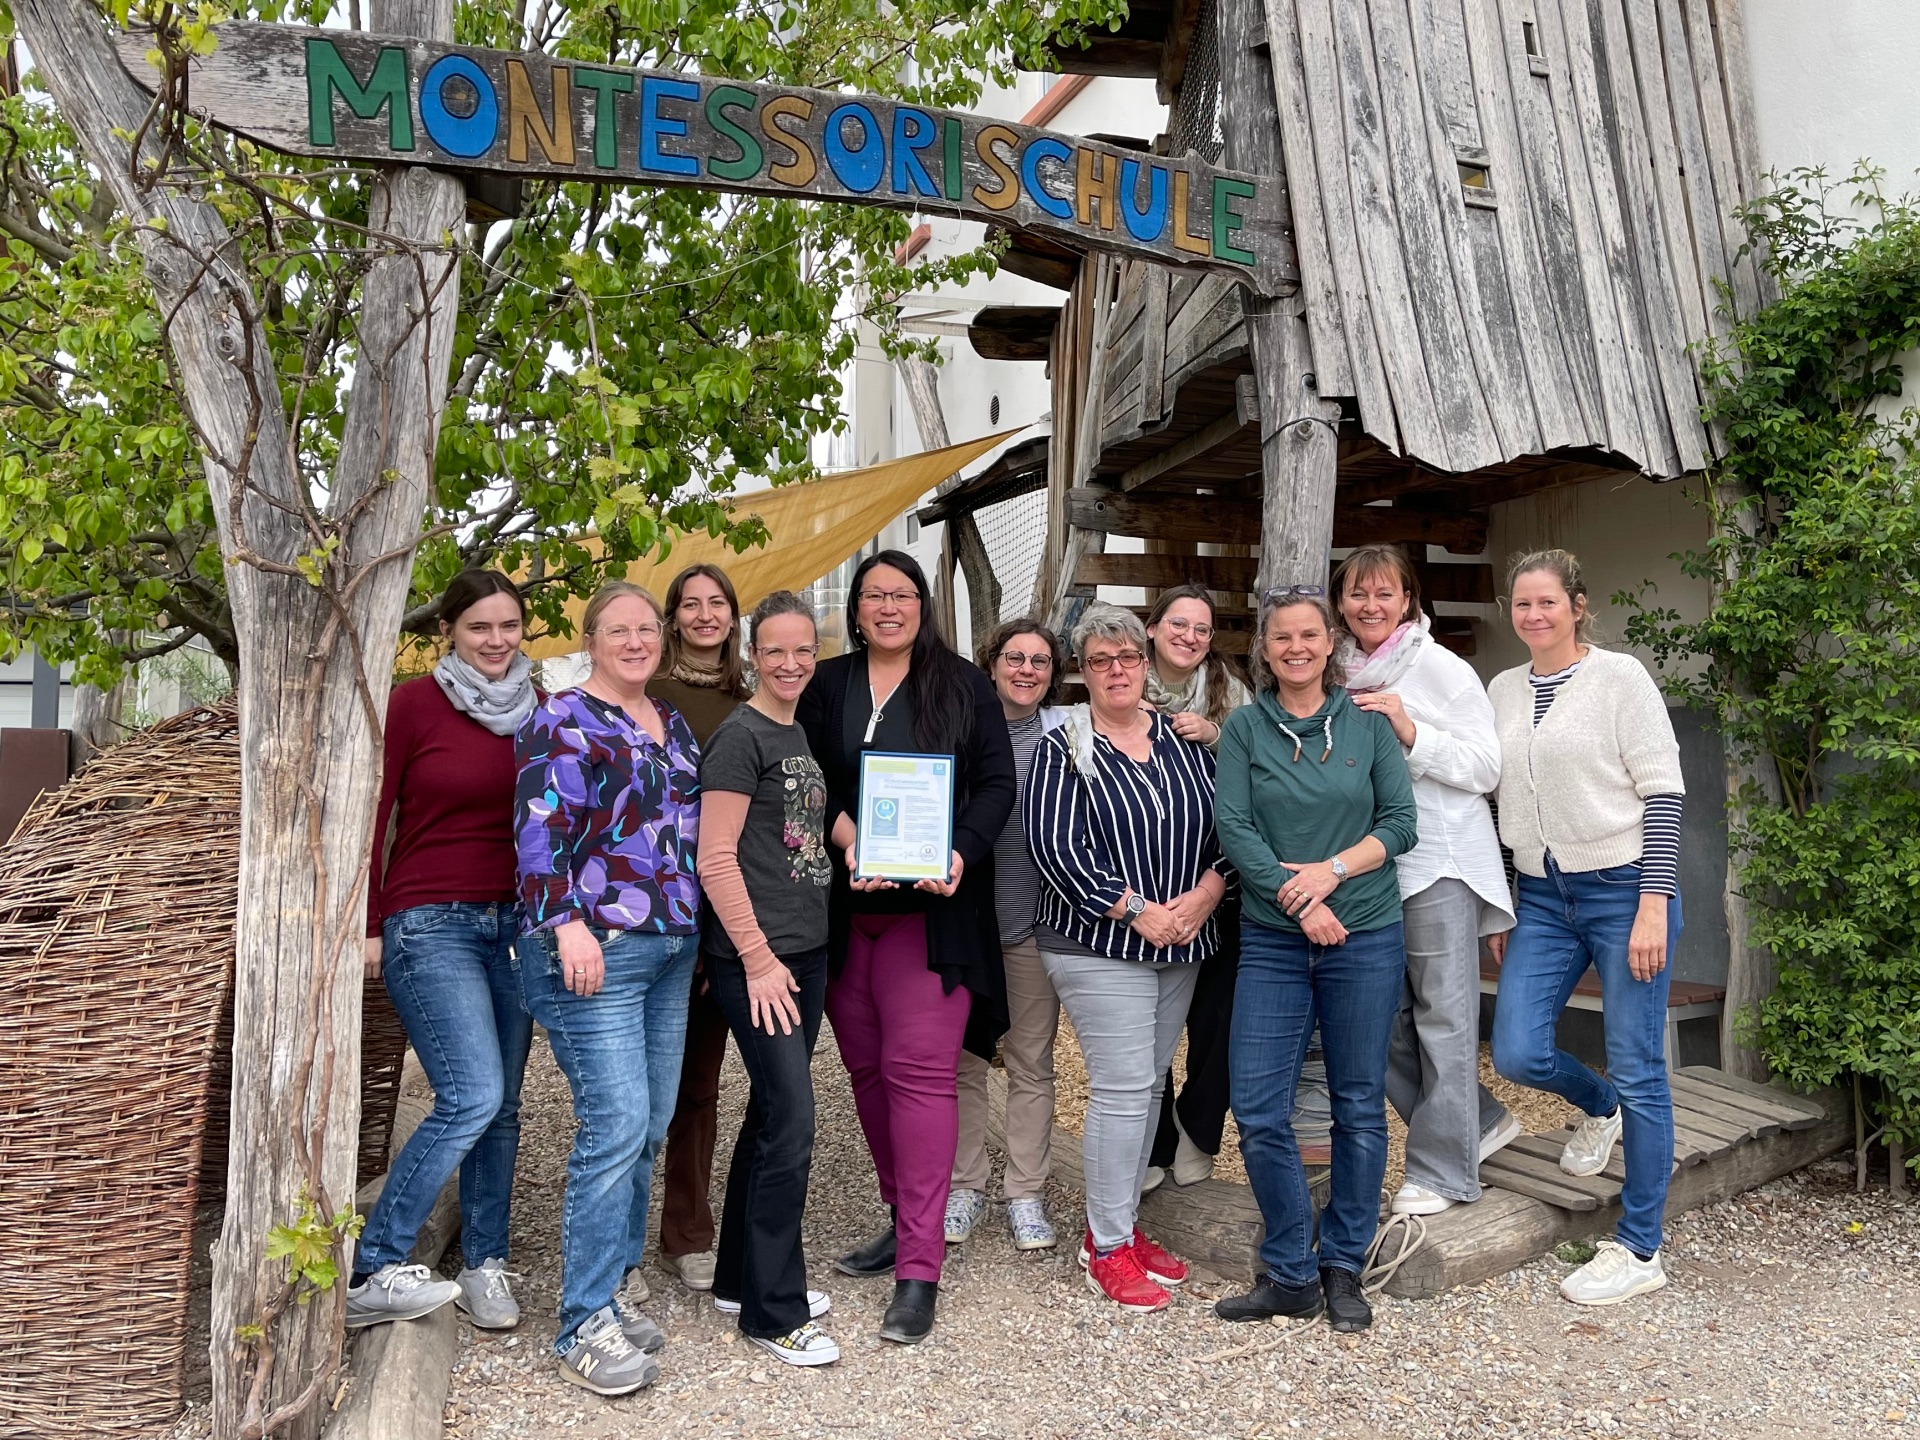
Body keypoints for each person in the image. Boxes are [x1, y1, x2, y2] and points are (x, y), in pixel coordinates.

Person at [796, 550, 1015, 1345]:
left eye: (903, 593)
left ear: (924, 605)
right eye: (874, 594)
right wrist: (843, 829)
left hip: (932, 916)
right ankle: (902, 1215)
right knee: (866, 1073)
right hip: (846, 912)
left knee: (920, 1078)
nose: (889, 606)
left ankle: (920, 1267)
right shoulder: (825, 685)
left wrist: (958, 849)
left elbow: (997, 785)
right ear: (855, 609)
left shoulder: (962, 684)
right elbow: (804, 775)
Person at [512, 581, 702, 1395]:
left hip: (669, 949)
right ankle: (580, 1321)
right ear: (592, 639)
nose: (635, 641)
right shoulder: (559, 717)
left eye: (646, 629)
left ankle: (617, 1287)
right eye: (618, 630)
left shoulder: (675, 724)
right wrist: (565, 924)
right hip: (595, 947)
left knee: (650, 1122)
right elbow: (538, 829)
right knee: (614, 1122)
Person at [1212, 587, 1417, 1334]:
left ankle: (1343, 1263)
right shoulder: (1244, 729)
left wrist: (1329, 872)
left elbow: (1401, 824)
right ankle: (1293, 1270)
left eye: (1309, 635)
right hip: (1273, 939)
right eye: (1281, 638)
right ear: (1264, 652)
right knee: (1260, 1107)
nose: (1296, 647)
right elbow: (1234, 827)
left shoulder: (1365, 724)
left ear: (1329, 643)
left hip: (1364, 933)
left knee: (1358, 1104)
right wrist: (1302, 901)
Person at [1488, 549, 1685, 1307]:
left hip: (1622, 888)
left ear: (1576, 605)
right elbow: (1504, 800)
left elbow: (1663, 793)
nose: (1534, 616)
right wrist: (1505, 899)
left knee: (1640, 1066)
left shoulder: (1619, 678)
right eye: (1522, 604)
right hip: (1541, 896)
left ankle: (1640, 1248)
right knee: (1517, 1048)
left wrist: (1653, 904)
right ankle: (1597, 1108)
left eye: (1547, 602)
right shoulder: (1504, 688)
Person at [1025, 603, 1227, 1314]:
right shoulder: (1065, 747)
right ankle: (1105, 1245)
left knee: (1146, 1086)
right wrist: (1138, 910)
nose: (1116, 671)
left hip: (1184, 938)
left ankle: (1122, 1227)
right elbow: (1057, 851)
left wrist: (1204, 895)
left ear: (1147, 663)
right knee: (1121, 1086)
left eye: (1127, 658)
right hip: (1098, 943)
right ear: (1082, 672)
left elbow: (1226, 826)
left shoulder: (1180, 741)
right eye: (1100, 661)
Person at [348, 571, 537, 1333]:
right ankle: (372, 1268)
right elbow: (371, 812)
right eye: (478, 628)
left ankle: (487, 1261)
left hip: (517, 929)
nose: (496, 641)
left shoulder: (544, 714)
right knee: (472, 1093)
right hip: (430, 922)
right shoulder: (412, 706)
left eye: (509, 627)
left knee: (505, 1107)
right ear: (448, 634)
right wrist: (368, 921)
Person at [1334, 546, 1519, 1217]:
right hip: (1370, 867)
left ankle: (1444, 1171)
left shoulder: (1440, 669)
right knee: (1376, 1021)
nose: (1371, 606)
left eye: (1385, 594)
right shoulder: (1337, 672)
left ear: (1409, 600)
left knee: (1443, 1017)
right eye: (1358, 594)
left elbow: (1486, 767)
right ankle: (1482, 1122)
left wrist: (1411, 732)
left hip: (1439, 859)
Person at [697, 592, 839, 1366]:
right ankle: (773, 1312)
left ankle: (739, 1278)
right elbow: (714, 857)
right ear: (753, 653)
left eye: (804, 651)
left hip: (805, 952)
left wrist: (875, 850)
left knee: (767, 1117)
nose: (792, 664)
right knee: (792, 1122)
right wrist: (755, 958)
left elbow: (813, 828)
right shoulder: (738, 738)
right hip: (762, 961)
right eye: (777, 651)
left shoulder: (795, 730)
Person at [947, 618, 1070, 1251]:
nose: (1026, 670)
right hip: (965, 922)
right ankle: (964, 1185)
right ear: (991, 664)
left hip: (1033, 923)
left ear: (1053, 675)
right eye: (1015, 658)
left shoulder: (1068, 736)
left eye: (1040, 662)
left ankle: (1025, 1192)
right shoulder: (962, 729)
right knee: (964, 1059)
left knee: (1031, 1061)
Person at [649, 563, 753, 1295]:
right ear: (673, 618)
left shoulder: (753, 700)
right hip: (655, 916)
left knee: (698, 1088)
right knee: (640, 1093)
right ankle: (620, 1232)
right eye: (692, 604)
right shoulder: (646, 696)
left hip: (730, 916)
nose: (706, 615)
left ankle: (688, 1231)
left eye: (718, 604)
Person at [1139, 584, 1253, 1191]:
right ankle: (1153, 1143)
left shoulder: (1229, 695)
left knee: (1220, 1021)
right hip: (1147, 889)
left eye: (1201, 629)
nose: (1188, 636)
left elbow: (1262, 772)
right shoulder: (1124, 680)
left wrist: (1217, 736)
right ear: (1152, 628)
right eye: (1177, 624)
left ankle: (1198, 1128)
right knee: (1149, 1022)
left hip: (1223, 881)